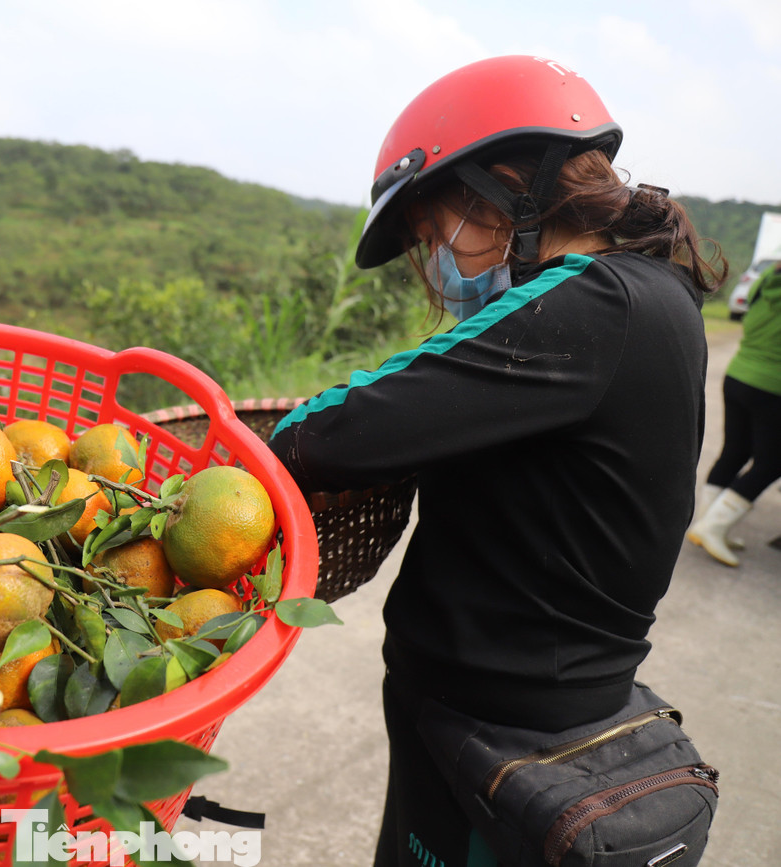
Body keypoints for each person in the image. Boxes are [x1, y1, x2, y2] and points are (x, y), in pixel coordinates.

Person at [267, 55, 725, 866]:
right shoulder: (653, 292)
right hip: (536, 703)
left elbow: (326, 432)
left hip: (496, 728)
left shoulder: (591, 302)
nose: (436, 260)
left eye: (430, 231)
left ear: (504, 187)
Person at [687, 260, 781, 566]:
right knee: (771, 463)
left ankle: (705, 524)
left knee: (735, 451)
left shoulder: (766, 278)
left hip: (739, 374)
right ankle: (713, 528)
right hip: (772, 385)